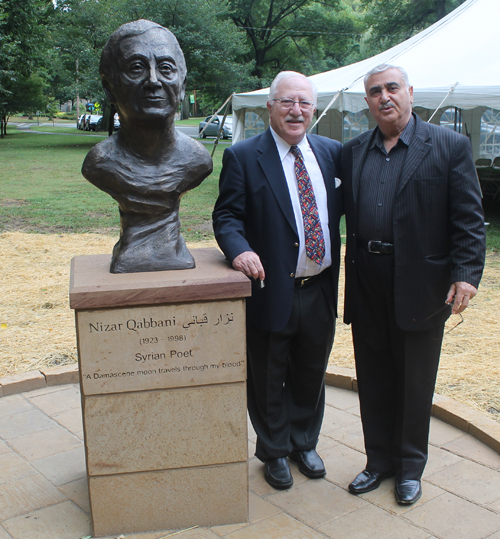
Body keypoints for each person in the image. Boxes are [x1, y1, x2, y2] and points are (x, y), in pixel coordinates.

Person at [342, 64, 486, 505]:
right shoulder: (352, 152)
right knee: (374, 377)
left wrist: (465, 273)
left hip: (422, 285)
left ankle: (409, 467)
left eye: (391, 88)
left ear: (409, 92)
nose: (383, 96)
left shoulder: (448, 146)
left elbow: (468, 219)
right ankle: (378, 461)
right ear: (366, 101)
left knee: (414, 381)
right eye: (374, 92)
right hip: (367, 280)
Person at [212, 71, 342, 490]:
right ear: (269, 106)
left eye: (304, 103)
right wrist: (239, 249)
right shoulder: (244, 156)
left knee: (310, 372)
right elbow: (227, 216)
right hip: (271, 288)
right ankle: (273, 451)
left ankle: (304, 443)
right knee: (268, 377)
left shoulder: (331, 153)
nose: (296, 110)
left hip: (319, 288)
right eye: (286, 101)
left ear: (315, 110)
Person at [82, 20, 212, 273]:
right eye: (136, 68)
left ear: (182, 85)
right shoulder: (99, 163)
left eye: (165, 68)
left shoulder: (198, 160)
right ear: (109, 88)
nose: (153, 80)